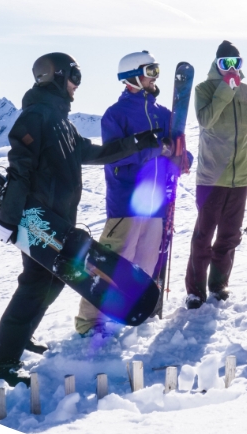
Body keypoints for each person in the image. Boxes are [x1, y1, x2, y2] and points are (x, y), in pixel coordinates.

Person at [0, 52, 161, 385]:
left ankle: (17, 341)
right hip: (38, 221)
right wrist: (9, 220)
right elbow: (20, 170)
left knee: (48, 282)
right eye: (74, 77)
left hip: (57, 221)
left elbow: (94, 153)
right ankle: (1, 362)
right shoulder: (36, 117)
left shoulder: (60, 121)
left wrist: (138, 142)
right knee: (36, 285)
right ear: (55, 76)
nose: (77, 85)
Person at [75, 50, 185, 336]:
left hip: (156, 203)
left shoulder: (164, 113)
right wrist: (156, 149)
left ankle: (136, 312)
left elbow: (176, 150)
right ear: (132, 76)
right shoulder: (116, 115)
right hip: (126, 202)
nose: (155, 77)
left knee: (146, 264)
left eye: (157, 70)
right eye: (150, 71)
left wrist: (182, 158)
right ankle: (90, 322)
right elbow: (115, 155)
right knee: (112, 262)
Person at [185, 40, 247, 308]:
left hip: (240, 178)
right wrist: (225, 90)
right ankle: (195, 292)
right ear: (216, 65)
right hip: (211, 178)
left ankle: (218, 286)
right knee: (203, 236)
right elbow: (206, 120)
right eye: (225, 63)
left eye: (236, 63)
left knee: (229, 236)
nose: (231, 68)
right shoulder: (204, 89)